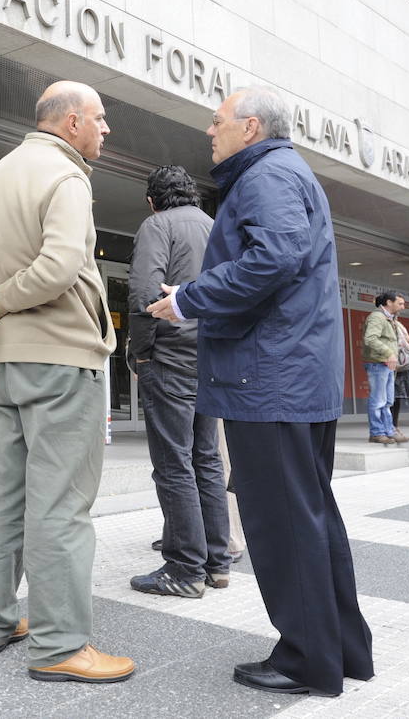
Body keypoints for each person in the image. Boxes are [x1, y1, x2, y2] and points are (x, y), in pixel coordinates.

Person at [147, 86, 373, 698]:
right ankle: (341, 650)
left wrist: (188, 298)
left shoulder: (265, 176)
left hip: (269, 379)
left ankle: (307, 661)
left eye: (216, 123)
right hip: (291, 376)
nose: (209, 132)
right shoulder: (284, 171)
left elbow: (274, 257)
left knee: (282, 524)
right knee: (310, 515)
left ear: (250, 128)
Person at [0, 80, 134, 684]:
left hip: (7, 365)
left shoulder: (1, 174)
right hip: (62, 361)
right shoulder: (68, 177)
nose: (106, 129)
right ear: (72, 121)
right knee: (61, 504)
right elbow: (59, 267)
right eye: (101, 118)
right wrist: (0, 303)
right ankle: (59, 646)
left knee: (5, 497)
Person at [125, 165, 231, 599]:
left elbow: (144, 294)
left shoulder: (157, 225)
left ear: (153, 200)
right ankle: (217, 561)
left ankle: (185, 568)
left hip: (169, 358)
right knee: (206, 459)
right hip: (210, 360)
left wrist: (141, 351)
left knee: (173, 463)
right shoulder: (214, 226)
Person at [361, 292, 406, 445]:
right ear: (389, 302)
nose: (403, 307)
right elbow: (370, 338)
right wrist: (389, 353)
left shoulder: (390, 318)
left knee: (387, 401)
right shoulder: (377, 316)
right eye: (399, 303)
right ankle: (376, 433)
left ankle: (389, 431)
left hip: (386, 364)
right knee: (378, 400)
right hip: (378, 363)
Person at [390, 294, 409, 441]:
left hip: (400, 365)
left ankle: (394, 426)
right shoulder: (382, 319)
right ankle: (388, 428)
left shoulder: (398, 324)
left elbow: (408, 342)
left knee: (396, 397)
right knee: (389, 398)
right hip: (390, 363)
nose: (403, 307)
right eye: (400, 304)